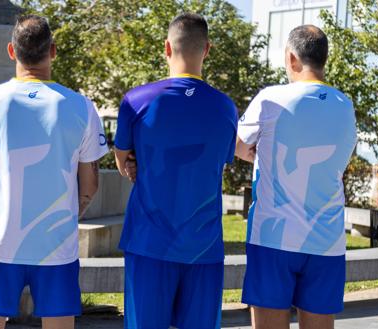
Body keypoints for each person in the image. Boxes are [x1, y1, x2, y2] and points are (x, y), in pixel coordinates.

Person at [0, 14, 108, 329]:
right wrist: (67, 215)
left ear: (12, 51)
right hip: (57, 242)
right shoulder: (82, 107)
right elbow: (90, 185)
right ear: (52, 50)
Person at [114, 13, 238, 329]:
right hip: (204, 247)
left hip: (149, 243)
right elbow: (218, 161)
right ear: (207, 49)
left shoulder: (136, 101)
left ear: (167, 48)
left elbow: (122, 161)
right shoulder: (226, 108)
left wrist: (134, 163)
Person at [236, 25, 357, 329]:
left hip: (272, 237)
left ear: (291, 58)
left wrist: (258, 153)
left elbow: (237, 145)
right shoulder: (345, 105)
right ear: (324, 59)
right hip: (326, 241)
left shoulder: (270, 99)